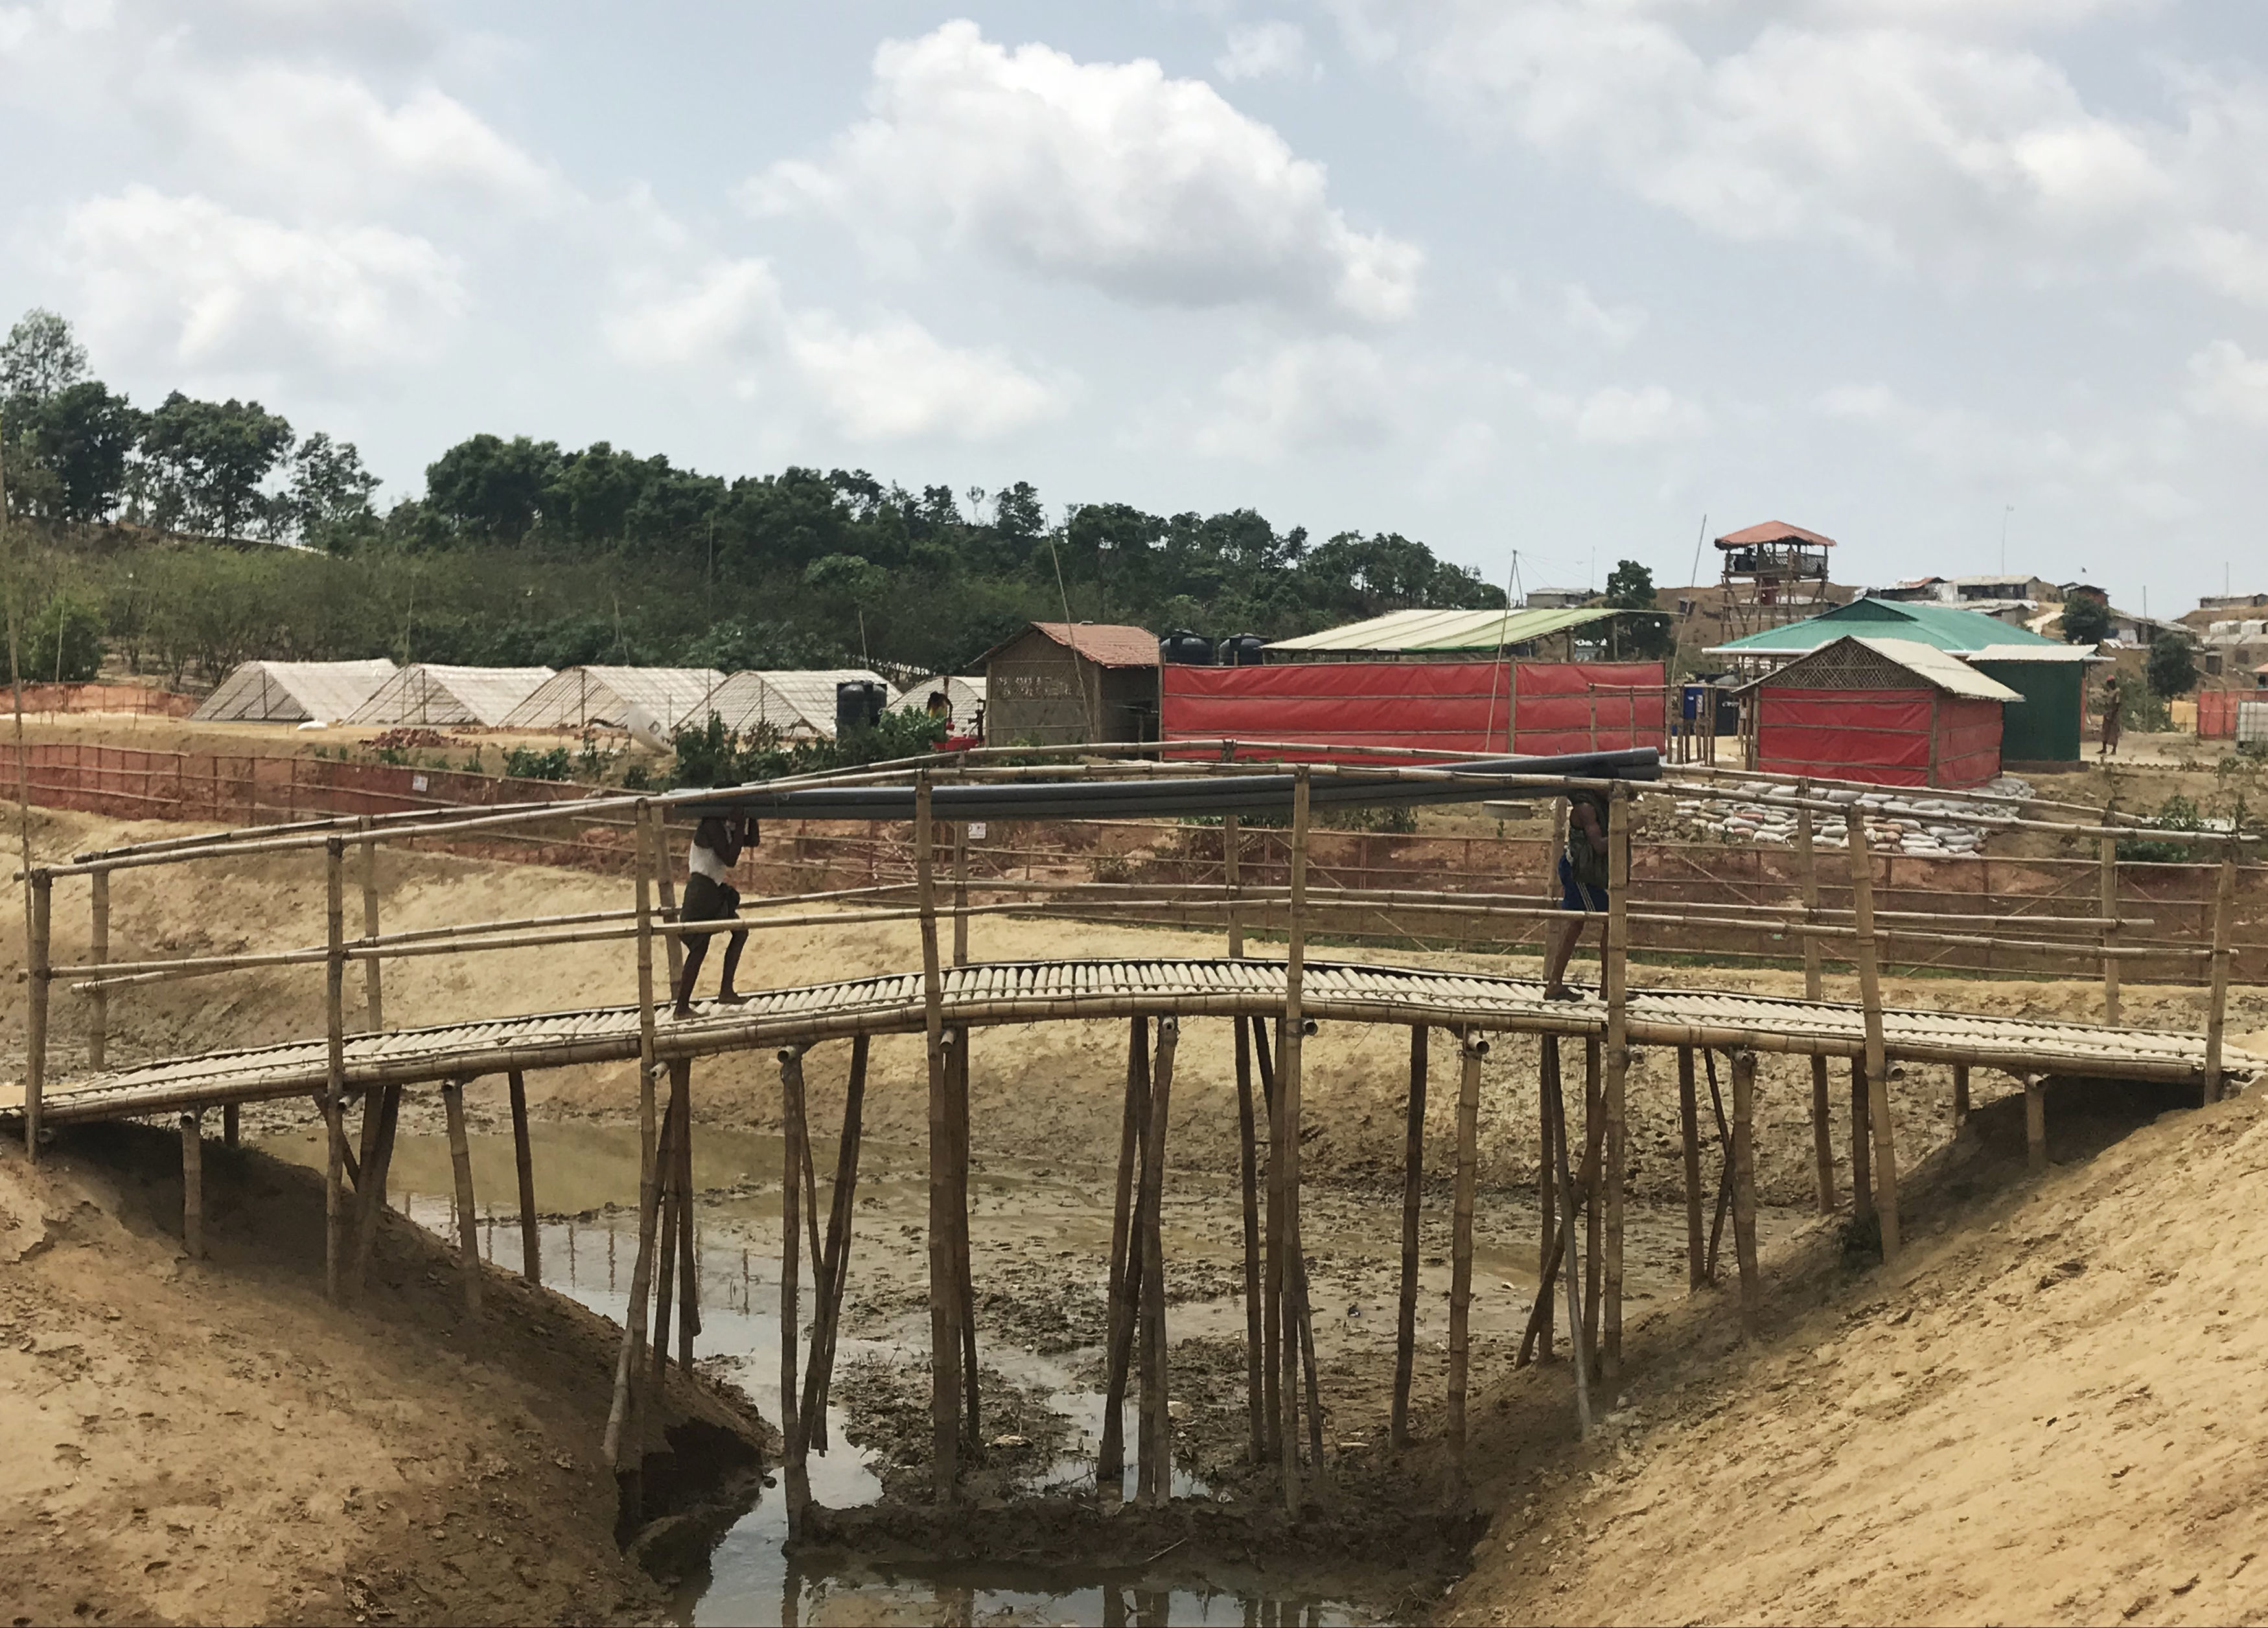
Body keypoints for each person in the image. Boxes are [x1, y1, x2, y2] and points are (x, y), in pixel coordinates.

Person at [673, 811, 756, 1017]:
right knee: (699, 946)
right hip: (702, 889)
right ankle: (682, 1007)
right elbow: (730, 858)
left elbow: (753, 840)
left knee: (740, 932)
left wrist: (752, 817)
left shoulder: (724, 826)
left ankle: (726, 990)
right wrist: (741, 822)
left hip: (712, 889)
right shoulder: (710, 825)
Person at [1540, 784, 1610, 1001]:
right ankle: (1608, 986)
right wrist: (1627, 831)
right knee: (1611, 918)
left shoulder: (1594, 805)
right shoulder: (1586, 808)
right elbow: (1599, 845)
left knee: (1575, 923)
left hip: (1579, 870)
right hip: (1578, 872)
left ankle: (1555, 983)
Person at [2098, 675, 2122, 759]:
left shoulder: (2117, 691)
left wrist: (2113, 714)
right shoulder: (2109, 691)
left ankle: (2114, 750)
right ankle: (2104, 748)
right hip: (2107, 713)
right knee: (2105, 731)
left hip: (2114, 714)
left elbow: (2117, 704)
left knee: (2114, 732)